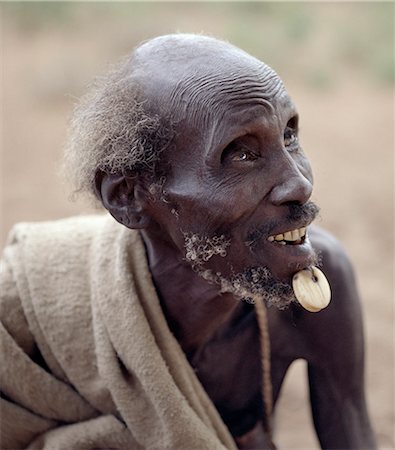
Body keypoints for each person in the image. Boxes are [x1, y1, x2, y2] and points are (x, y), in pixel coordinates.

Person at [0, 34, 376, 449]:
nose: (299, 184)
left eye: (289, 135)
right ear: (128, 196)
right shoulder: (23, 317)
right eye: (241, 154)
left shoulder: (320, 285)